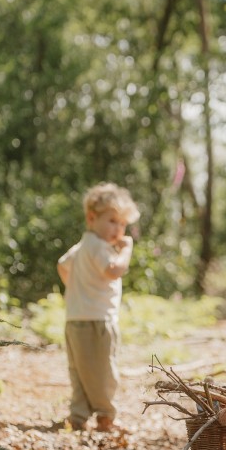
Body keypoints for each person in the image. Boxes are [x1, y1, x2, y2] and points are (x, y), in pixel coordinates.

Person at [55, 182, 140, 433]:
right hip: (98, 320)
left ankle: (78, 417)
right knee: (104, 371)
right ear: (92, 218)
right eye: (113, 221)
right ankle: (106, 416)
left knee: (79, 371)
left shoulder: (83, 246)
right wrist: (127, 250)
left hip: (75, 319)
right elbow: (113, 270)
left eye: (123, 224)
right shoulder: (100, 247)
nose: (119, 229)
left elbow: (62, 265)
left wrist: (78, 288)